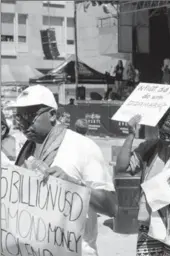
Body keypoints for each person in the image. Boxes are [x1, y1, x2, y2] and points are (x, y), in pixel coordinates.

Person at [7, 85, 117, 256]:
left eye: (29, 116)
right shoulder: (25, 151)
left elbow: (110, 207)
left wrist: (74, 185)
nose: (22, 124)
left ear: (51, 115)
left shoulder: (83, 147)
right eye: (18, 117)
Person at [115, 110, 170, 256]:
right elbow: (122, 167)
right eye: (162, 134)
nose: (165, 139)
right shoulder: (150, 148)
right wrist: (130, 135)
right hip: (149, 223)